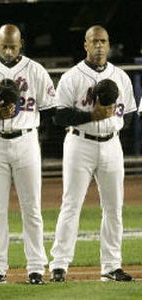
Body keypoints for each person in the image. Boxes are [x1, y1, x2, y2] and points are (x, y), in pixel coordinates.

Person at [0, 24, 56, 284]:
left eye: (13, 46)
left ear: (21, 44)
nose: (8, 51)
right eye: (4, 45)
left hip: (26, 140)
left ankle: (36, 267)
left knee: (31, 208)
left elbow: (51, 109)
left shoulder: (35, 70)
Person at [49, 25, 136, 282]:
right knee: (71, 204)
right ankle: (59, 265)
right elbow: (59, 115)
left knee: (113, 208)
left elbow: (128, 114)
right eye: (94, 41)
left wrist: (112, 126)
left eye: (103, 41)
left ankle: (111, 266)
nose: (99, 46)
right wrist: (91, 116)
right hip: (80, 144)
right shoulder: (72, 76)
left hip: (111, 145)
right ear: (85, 45)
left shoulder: (120, 76)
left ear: (109, 45)